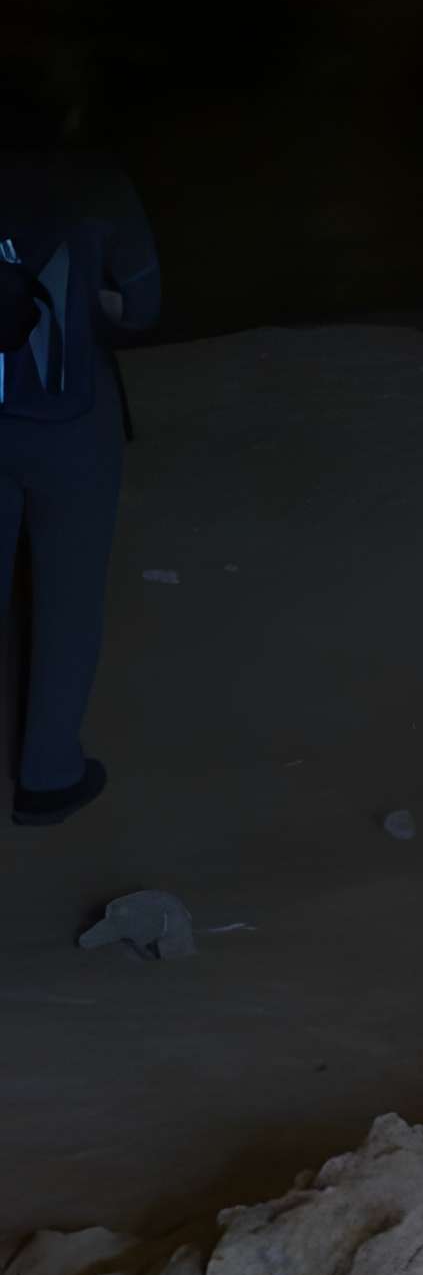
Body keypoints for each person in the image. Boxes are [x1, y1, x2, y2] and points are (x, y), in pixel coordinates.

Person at [0, 102, 160, 829]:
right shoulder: (97, 183)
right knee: (68, 602)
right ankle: (49, 776)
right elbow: (142, 308)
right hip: (71, 422)